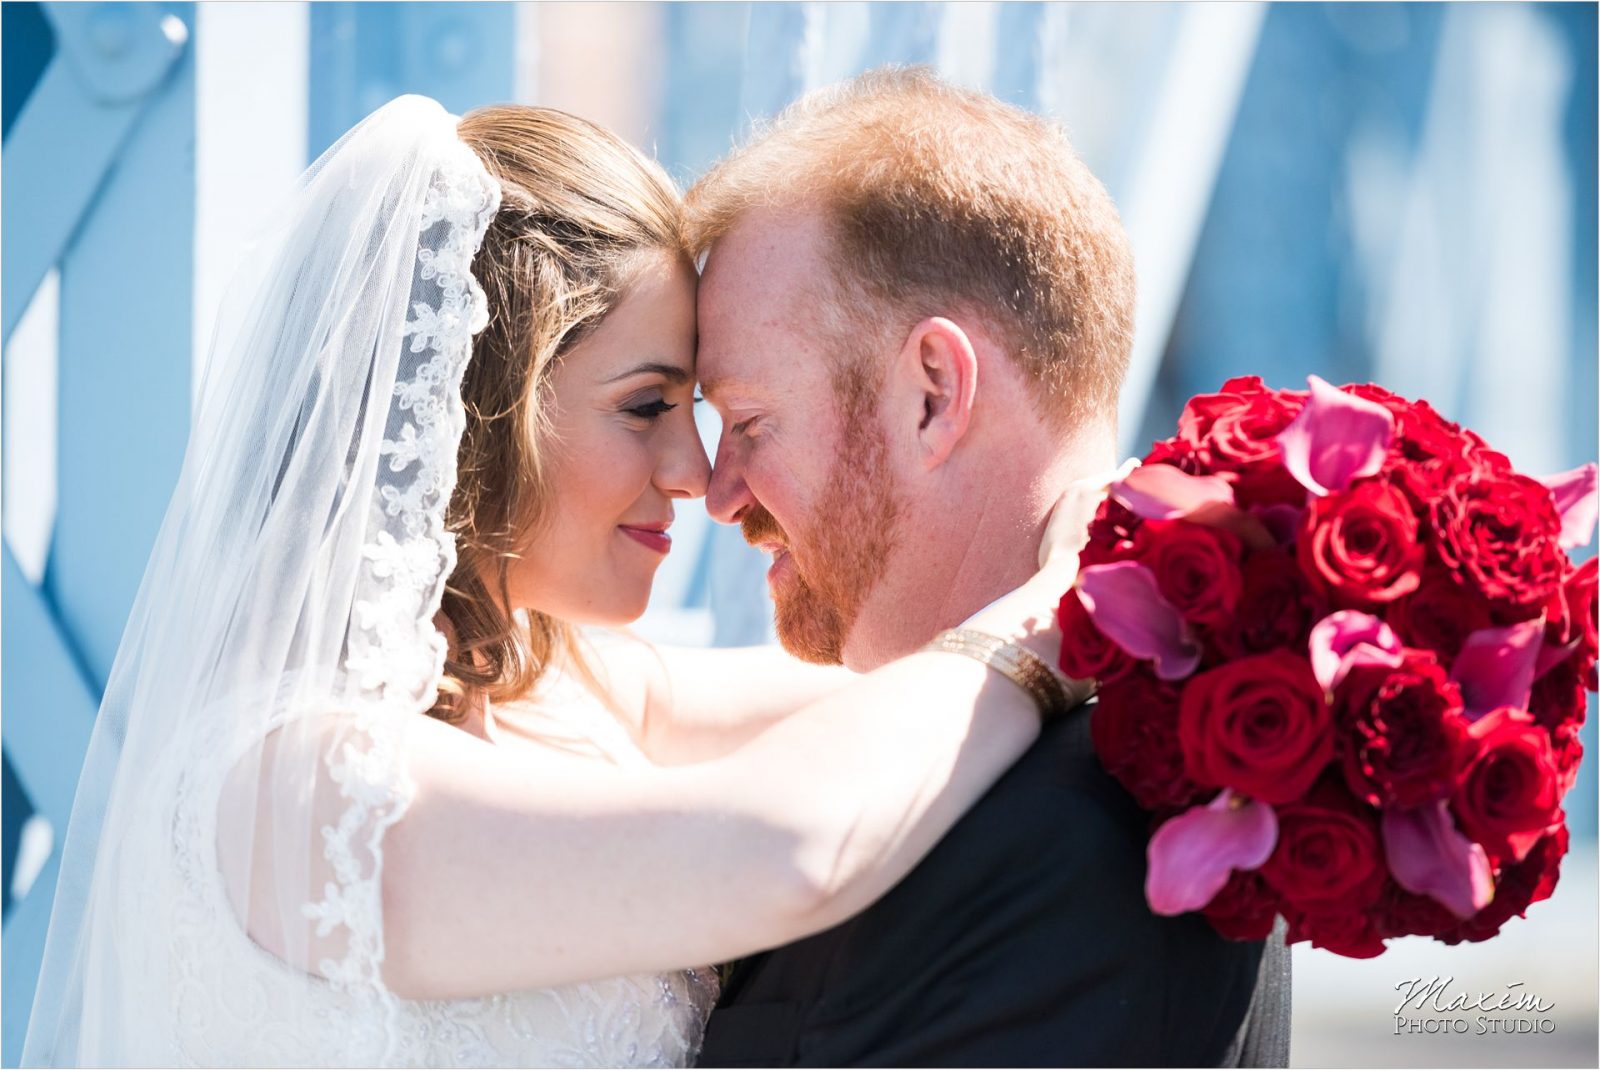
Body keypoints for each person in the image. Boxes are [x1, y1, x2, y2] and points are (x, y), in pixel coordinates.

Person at [20, 96, 1105, 1068]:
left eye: (708, 413)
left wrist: (1158, 566)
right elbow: (788, 845)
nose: (693, 473)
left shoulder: (575, 686)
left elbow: (903, 692)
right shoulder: (295, 788)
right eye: (645, 406)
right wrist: (1072, 587)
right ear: (473, 422)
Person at [687, 68, 1292, 1066]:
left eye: (749, 422)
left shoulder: (1078, 835)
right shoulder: (999, 761)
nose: (718, 491)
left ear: (932, 392)